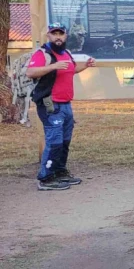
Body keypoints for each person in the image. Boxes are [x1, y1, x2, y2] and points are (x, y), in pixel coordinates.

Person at [26, 21, 95, 191]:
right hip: (50, 105)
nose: (58, 37)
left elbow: (70, 69)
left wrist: (85, 66)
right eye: (54, 33)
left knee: (64, 141)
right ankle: (46, 178)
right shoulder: (43, 53)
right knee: (54, 141)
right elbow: (30, 72)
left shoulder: (66, 53)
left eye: (60, 33)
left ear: (65, 35)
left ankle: (59, 172)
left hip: (66, 104)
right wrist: (53, 66)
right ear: (48, 35)